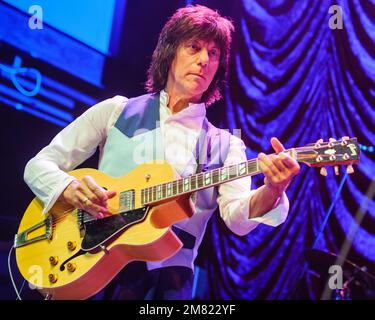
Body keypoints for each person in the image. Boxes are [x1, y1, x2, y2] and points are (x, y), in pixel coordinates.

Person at [24, 5, 300, 300]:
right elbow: (39, 165)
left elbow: (237, 219)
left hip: (168, 282)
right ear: (170, 51)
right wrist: (69, 188)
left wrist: (273, 189)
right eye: (193, 47)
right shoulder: (116, 111)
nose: (204, 60)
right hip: (90, 261)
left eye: (214, 54)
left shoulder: (226, 145)